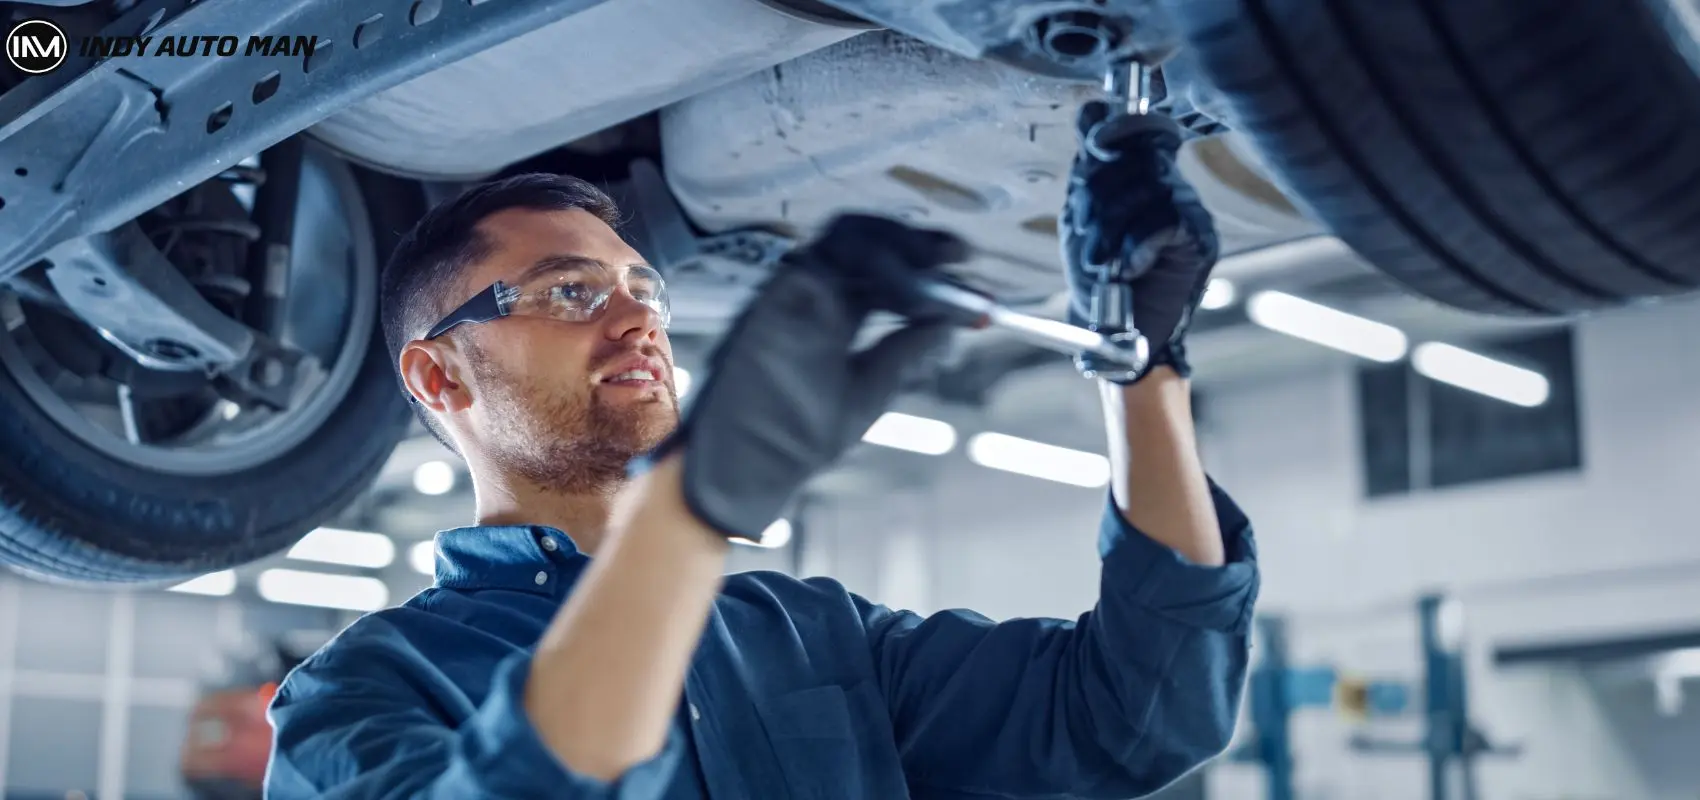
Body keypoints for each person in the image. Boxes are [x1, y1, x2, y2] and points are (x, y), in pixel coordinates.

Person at [263, 100, 1260, 799]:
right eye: (571, 291)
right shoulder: (359, 693)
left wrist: (1141, 367)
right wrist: (688, 507)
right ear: (439, 377)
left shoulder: (812, 633)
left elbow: (1140, 711)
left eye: (644, 292)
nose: (637, 322)